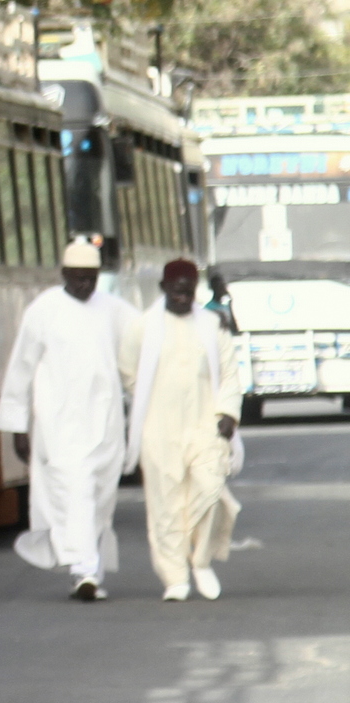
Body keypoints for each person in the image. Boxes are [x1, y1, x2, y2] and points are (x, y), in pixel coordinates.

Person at [0, 239, 132, 601]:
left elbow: (142, 346)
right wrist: (17, 427)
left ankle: (90, 572)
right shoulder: (43, 310)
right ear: (64, 274)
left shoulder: (114, 309)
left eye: (91, 278)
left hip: (105, 425)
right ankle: (84, 571)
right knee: (76, 491)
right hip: (59, 426)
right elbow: (20, 369)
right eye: (77, 277)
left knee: (99, 499)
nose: (84, 285)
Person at [121, 256, 242, 601]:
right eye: (176, 291)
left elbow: (230, 373)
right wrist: (153, 399)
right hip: (159, 429)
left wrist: (228, 413)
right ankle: (175, 577)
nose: (182, 297)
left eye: (188, 292)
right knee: (166, 505)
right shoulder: (142, 327)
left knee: (210, 489)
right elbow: (128, 372)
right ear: (163, 288)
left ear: (195, 291)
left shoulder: (212, 325)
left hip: (205, 425)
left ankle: (201, 560)